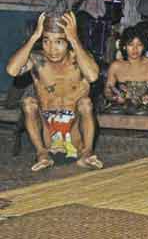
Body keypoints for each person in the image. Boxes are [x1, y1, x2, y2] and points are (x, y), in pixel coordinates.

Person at [6, 9, 102, 171]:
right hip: (47, 134)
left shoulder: (79, 59)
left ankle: (87, 152)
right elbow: (12, 70)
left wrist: (74, 38)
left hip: (75, 132)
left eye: (59, 42)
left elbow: (92, 76)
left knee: (85, 103)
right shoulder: (38, 60)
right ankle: (42, 153)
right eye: (46, 41)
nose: (52, 49)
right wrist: (34, 37)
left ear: (68, 41)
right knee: (28, 103)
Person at [105, 26, 148, 111]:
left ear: (144, 47)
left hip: (147, 112)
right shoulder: (115, 66)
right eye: (131, 44)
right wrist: (114, 97)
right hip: (120, 112)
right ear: (124, 46)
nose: (135, 49)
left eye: (139, 44)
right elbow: (108, 90)